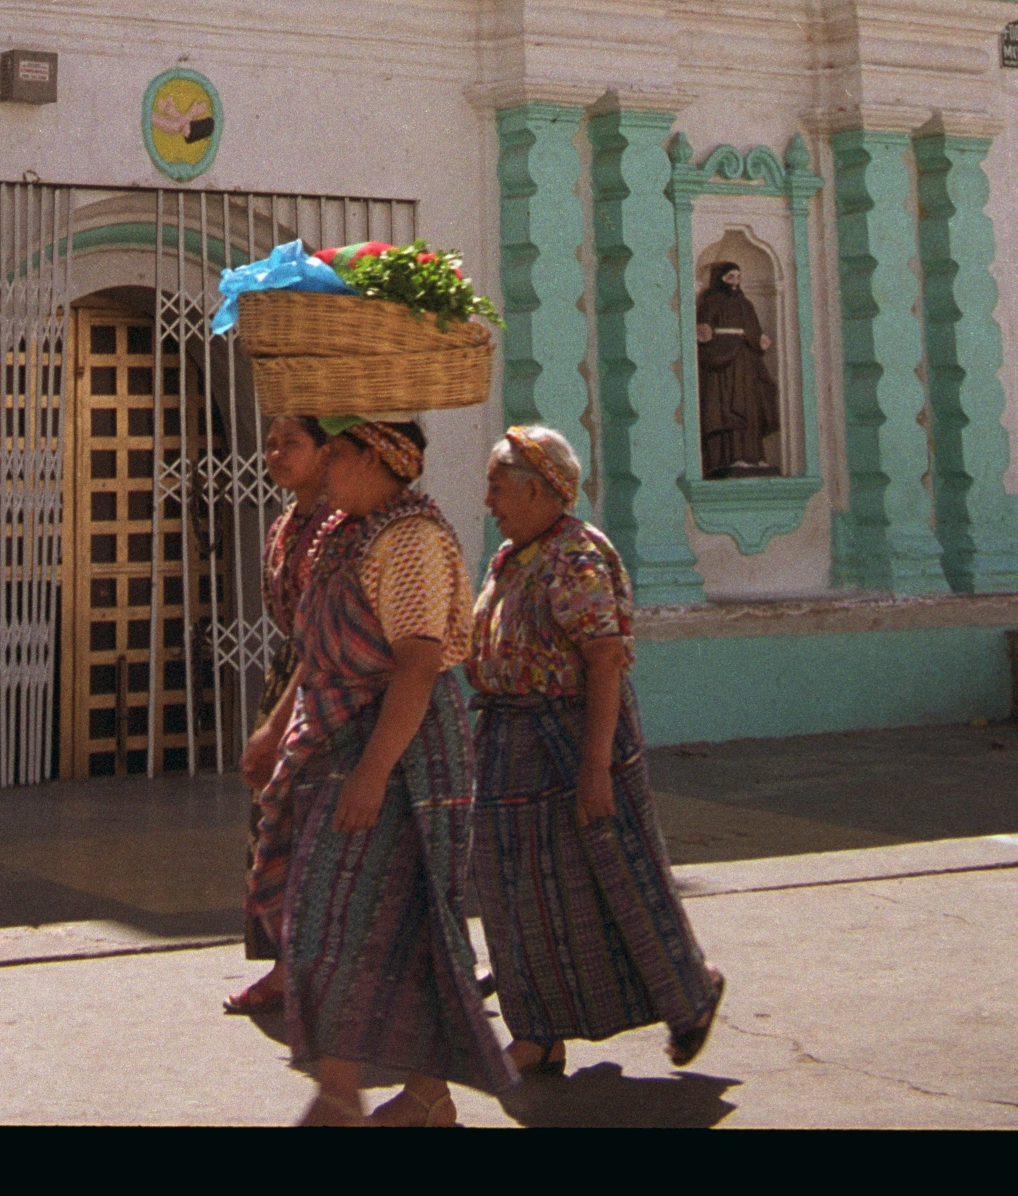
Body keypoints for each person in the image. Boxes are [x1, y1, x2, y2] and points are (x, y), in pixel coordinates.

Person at [249, 416, 515, 1127]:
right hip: (341, 743)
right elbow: (317, 642)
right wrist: (280, 725)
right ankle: (414, 1096)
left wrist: (372, 771)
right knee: (338, 919)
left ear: (376, 460)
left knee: (358, 920)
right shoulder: (348, 532)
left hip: (403, 753)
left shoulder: (410, 541)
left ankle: (342, 1094)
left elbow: (419, 663)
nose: (324, 465)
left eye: (336, 453)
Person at [468, 425, 724, 1079]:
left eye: (498, 489)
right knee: (518, 892)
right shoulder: (512, 556)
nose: (489, 501)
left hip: (570, 739)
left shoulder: (574, 555)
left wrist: (595, 769)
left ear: (534, 492)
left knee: (618, 878)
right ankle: (539, 1033)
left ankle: (690, 993)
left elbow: (604, 658)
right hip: (511, 743)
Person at [227, 414, 340, 1017]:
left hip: (321, 686)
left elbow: (323, 629)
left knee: (312, 823)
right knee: (276, 824)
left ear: (327, 453)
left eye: (291, 442)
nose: (274, 452)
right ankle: (286, 963)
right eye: (269, 442)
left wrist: (281, 719)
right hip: (289, 677)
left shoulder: (336, 527)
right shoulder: (283, 526)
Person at [696, 263, 781, 477]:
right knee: (727, 408)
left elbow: (754, 330)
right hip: (725, 368)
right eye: (730, 277)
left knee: (751, 407)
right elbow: (704, 333)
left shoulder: (746, 304)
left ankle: (753, 456)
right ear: (721, 279)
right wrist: (707, 334)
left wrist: (758, 340)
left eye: (738, 277)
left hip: (746, 364)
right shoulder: (710, 302)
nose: (735, 282)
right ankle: (730, 457)